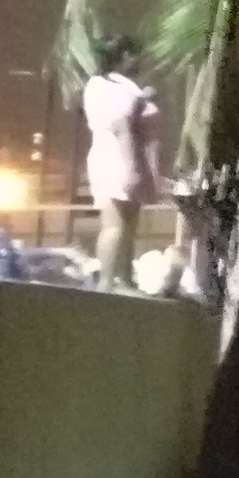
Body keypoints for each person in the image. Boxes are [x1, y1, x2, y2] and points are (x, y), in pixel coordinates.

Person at [79, 39, 162, 291]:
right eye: (136, 55)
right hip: (119, 157)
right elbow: (122, 127)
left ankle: (123, 279)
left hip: (119, 156)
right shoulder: (113, 87)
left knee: (127, 225)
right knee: (115, 224)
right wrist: (133, 168)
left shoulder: (108, 86)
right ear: (124, 56)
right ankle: (107, 283)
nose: (140, 61)